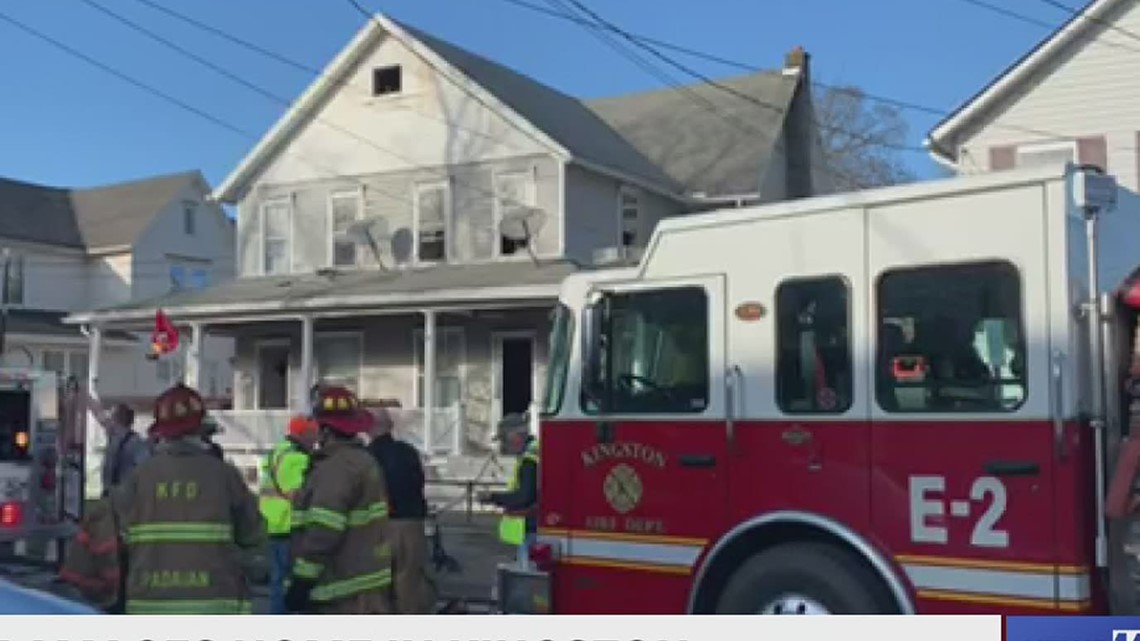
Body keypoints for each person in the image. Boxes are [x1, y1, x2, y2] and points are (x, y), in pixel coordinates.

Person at [110, 383, 265, 614]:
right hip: (216, 607)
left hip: (150, 607)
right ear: (200, 430)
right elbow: (254, 536)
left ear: (160, 433)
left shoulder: (137, 479)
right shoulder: (224, 475)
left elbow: (116, 540)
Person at [285, 386, 394, 614]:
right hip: (367, 584)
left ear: (324, 429)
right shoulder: (364, 460)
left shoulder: (335, 468)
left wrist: (302, 582)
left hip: (340, 592)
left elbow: (324, 530)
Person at [366, 406, 435, 614]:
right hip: (412, 525)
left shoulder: (366, 457)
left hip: (379, 528)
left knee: (378, 589)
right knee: (410, 586)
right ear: (391, 426)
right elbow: (418, 483)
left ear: (368, 429)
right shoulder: (408, 452)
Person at [259, 415, 318, 615]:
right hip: (289, 525)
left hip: (273, 522)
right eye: (313, 434)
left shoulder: (277, 451)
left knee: (278, 581)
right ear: (303, 434)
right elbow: (296, 494)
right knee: (289, 582)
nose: (316, 439)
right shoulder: (296, 458)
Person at [480, 420, 539, 566]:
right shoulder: (531, 453)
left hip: (531, 527)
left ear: (517, 438)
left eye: (504, 440)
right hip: (531, 526)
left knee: (527, 571)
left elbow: (524, 496)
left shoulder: (530, 460)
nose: (504, 446)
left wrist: (493, 497)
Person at [87, 395, 150, 498]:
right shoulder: (114, 438)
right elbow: (99, 415)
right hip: (110, 495)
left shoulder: (136, 444)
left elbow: (145, 471)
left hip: (127, 497)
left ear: (116, 419)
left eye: (112, 416)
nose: (109, 419)